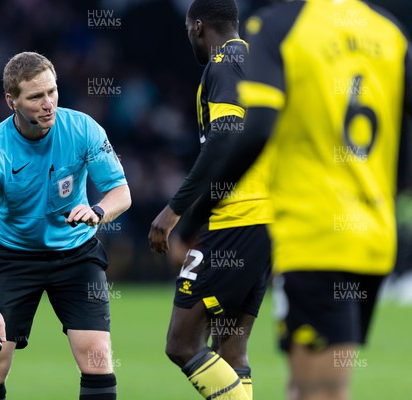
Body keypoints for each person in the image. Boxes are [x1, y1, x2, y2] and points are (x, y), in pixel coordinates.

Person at [171, 0, 412, 399]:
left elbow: (252, 130)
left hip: (311, 231)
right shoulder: (388, 31)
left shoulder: (277, 25)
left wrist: (193, 216)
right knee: (298, 382)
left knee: (317, 390)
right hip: (373, 236)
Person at [0, 51, 131, 400]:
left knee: (98, 356)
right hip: (16, 257)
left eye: (52, 92)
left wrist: (98, 211)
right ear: (11, 101)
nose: (48, 104)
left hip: (76, 255)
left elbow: (121, 192)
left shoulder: (83, 129)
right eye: (36, 97)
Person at [148, 0, 273, 399]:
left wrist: (174, 212)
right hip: (267, 224)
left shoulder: (221, 63)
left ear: (198, 26)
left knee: (181, 344)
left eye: (189, 31)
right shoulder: (261, 62)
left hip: (236, 221)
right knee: (231, 349)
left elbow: (225, 138)